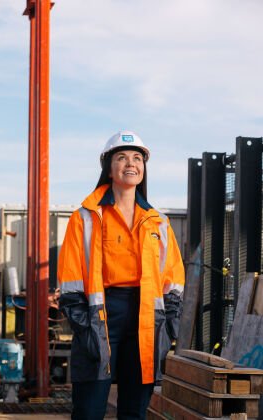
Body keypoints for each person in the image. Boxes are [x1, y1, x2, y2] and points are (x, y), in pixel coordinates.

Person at [57, 130, 185, 420]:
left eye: (137, 158)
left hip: (144, 318)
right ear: (109, 167)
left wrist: (168, 327)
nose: (131, 163)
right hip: (98, 316)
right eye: (122, 157)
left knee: (134, 412)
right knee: (89, 410)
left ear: (144, 167)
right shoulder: (86, 218)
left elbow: (173, 281)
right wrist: (83, 325)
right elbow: (70, 279)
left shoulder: (158, 223)